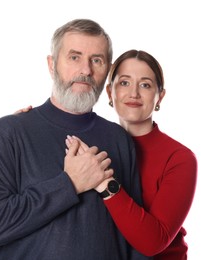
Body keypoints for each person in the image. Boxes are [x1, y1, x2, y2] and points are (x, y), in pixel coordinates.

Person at [0, 19, 150, 260]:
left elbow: (136, 238)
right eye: (74, 57)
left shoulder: (118, 138)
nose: (86, 70)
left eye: (96, 60)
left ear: (106, 70)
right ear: (52, 65)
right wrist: (70, 184)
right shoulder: (11, 131)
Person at [65, 49, 198, 259]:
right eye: (124, 83)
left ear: (159, 97)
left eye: (145, 85)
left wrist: (104, 183)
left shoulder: (179, 158)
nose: (134, 93)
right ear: (110, 93)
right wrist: (22, 124)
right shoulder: (91, 145)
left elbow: (154, 242)